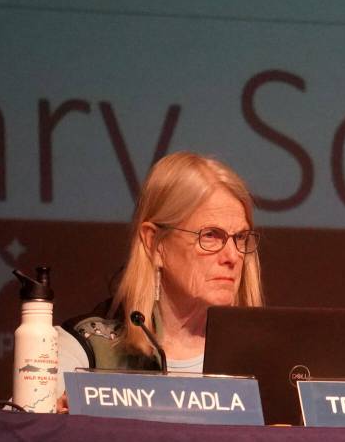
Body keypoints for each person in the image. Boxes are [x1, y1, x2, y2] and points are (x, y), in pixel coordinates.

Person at [55, 151, 264, 403]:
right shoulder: (88, 350)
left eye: (240, 237)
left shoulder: (269, 359)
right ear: (154, 243)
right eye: (210, 235)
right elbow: (22, 433)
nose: (232, 256)